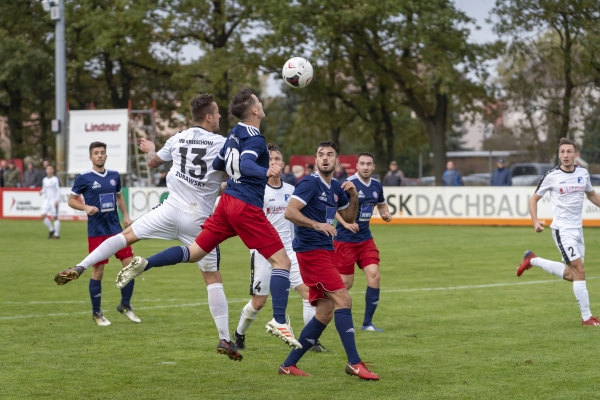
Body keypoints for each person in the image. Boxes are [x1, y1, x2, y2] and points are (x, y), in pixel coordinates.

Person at [54, 95, 243, 358]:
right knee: (212, 277)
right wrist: (220, 186)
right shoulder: (223, 144)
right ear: (208, 117)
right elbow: (231, 178)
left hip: (170, 209)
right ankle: (224, 339)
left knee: (126, 236)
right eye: (218, 113)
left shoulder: (178, 138)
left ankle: (80, 266)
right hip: (199, 219)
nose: (221, 117)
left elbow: (153, 162)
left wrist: (150, 149)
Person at [115, 88, 300, 350]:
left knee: (194, 252)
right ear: (255, 111)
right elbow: (247, 165)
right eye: (258, 101)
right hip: (246, 207)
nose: (260, 103)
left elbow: (219, 164)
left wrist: (234, 177)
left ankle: (146, 263)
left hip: (226, 205)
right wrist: (265, 170)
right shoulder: (256, 139)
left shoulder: (235, 132)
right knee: (282, 262)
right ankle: (279, 320)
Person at [278, 141, 379, 380]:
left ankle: (288, 365)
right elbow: (290, 212)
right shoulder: (309, 182)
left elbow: (348, 216)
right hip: (311, 251)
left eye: (330, 155)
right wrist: (317, 224)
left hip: (326, 250)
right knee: (343, 299)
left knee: (324, 312)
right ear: (316, 159)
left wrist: (353, 196)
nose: (325, 158)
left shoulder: (335, 186)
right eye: (321, 154)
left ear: (337, 161)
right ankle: (354, 363)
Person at [234, 144, 329, 353]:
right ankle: (239, 335)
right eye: (269, 159)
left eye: (277, 159)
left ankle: (311, 341)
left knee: (308, 293)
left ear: (283, 164)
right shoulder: (256, 192)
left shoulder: (291, 191)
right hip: (263, 252)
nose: (274, 162)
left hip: (289, 251)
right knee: (258, 303)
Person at [53, 141, 138, 327]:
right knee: (98, 271)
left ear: (106, 156)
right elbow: (71, 201)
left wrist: (126, 215)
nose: (99, 155)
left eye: (102, 153)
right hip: (96, 232)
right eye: (96, 153)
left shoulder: (114, 175)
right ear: (90, 157)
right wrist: (85, 207)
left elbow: (119, 197)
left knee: (131, 267)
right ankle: (97, 313)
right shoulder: (84, 178)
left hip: (116, 230)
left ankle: (125, 305)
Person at [517, 138, 600, 326]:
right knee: (580, 270)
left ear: (576, 155)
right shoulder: (552, 176)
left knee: (573, 275)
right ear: (559, 154)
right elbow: (533, 200)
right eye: (562, 152)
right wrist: (535, 221)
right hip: (562, 231)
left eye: (569, 152)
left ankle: (532, 259)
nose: (565, 155)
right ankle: (587, 318)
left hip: (578, 230)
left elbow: (592, 195)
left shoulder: (583, 173)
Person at [334, 152, 392, 332]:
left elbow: (381, 203)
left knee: (374, 276)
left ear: (373, 167)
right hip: (345, 241)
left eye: (369, 164)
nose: (366, 167)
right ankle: (320, 307)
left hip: (365, 239)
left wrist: (385, 213)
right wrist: (345, 223)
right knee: (346, 284)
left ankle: (367, 323)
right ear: (357, 166)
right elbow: (332, 208)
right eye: (362, 164)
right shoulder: (347, 185)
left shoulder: (376, 185)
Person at [40, 165, 61, 239]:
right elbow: (44, 189)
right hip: (47, 200)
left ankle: (56, 234)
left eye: (50, 169)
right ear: (46, 170)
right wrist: (41, 192)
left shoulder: (55, 179)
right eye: (47, 169)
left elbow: (58, 190)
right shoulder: (44, 179)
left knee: (55, 217)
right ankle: (51, 229)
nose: (49, 170)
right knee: (42, 216)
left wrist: (57, 200)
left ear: (53, 170)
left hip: (53, 200)